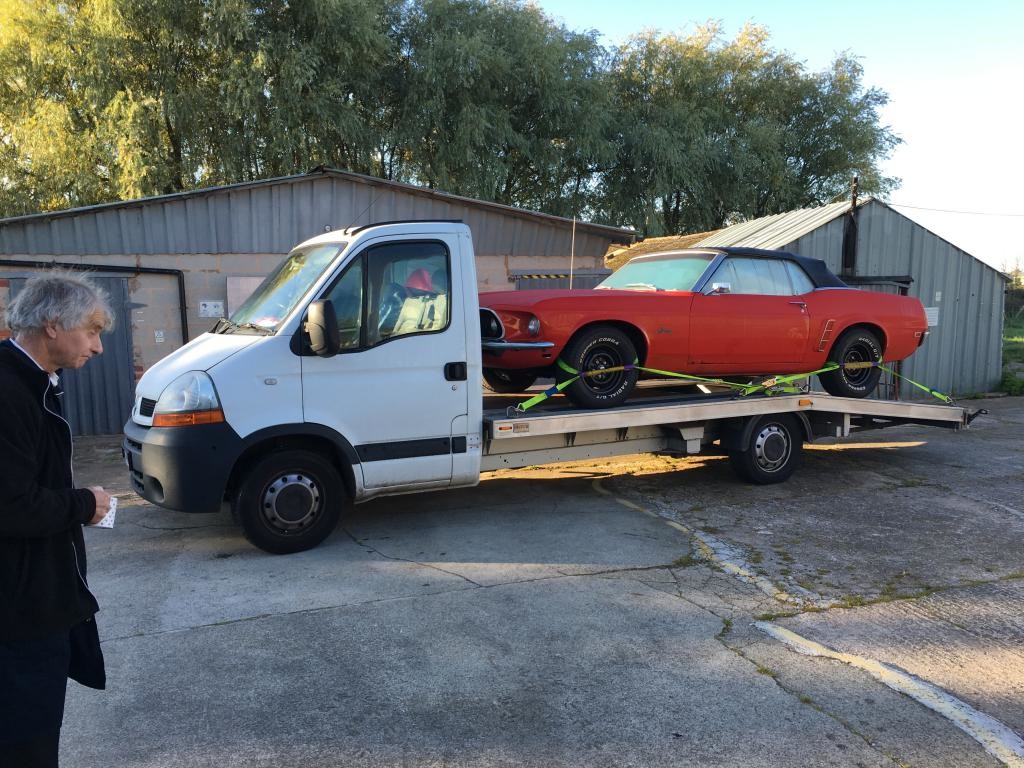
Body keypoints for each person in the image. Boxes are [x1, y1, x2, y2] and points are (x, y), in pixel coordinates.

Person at [0, 272, 114, 767]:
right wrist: (83, 504)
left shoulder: (34, 383)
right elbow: (11, 506)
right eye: (90, 331)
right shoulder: (8, 392)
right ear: (51, 325)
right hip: (19, 612)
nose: (98, 346)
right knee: (26, 743)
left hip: (35, 598)